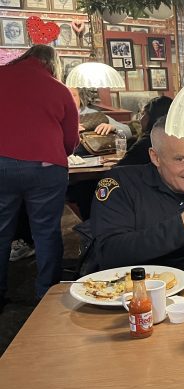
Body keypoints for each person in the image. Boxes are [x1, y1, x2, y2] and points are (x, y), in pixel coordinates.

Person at [90, 117, 184, 273]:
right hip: (127, 286)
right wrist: (179, 230)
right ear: (155, 157)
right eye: (181, 159)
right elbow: (108, 255)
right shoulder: (122, 184)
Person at [0, 45, 79, 302]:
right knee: (46, 232)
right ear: (53, 64)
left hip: (2, 163)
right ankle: (47, 295)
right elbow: (71, 140)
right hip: (47, 166)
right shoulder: (59, 89)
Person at [116, 96, 172, 167]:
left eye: (143, 114)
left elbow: (120, 168)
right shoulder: (176, 139)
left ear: (151, 117)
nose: (140, 119)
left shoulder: (145, 143)